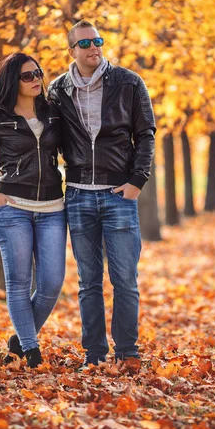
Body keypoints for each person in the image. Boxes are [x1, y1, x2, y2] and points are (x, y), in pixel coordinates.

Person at [48, 20, 156, 367]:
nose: (95, 47)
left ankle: (127, 352)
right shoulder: (58, 90)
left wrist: (137, 181)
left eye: (99, 41)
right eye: (86, 44)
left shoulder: (129, 82)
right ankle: (94, 355)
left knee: (125, 279)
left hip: (118, 193)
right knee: (88, 282)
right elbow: (46, 139)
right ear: (72, 51)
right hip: (78, 194)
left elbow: (146, 134)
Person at [0, 53, 66, 369]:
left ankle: (19, 342)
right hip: (13, 210)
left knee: (50, 285)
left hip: (52, 208)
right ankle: (32, 353)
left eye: (38, 73)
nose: (36, 79)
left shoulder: (54, 115)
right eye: (27, 75)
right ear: (13, 81)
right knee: (19, 284)